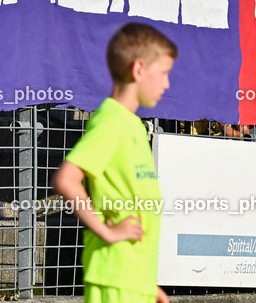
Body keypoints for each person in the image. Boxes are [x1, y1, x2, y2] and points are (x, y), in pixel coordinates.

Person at [52, 23, 174, 303]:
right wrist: (107, 231)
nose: (167, 83)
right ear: (139, 69)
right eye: (164, 73)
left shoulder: (133, 125)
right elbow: (66, 179)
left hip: (132, 279)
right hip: (114, 276)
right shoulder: (111, 121)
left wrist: (146, 284)